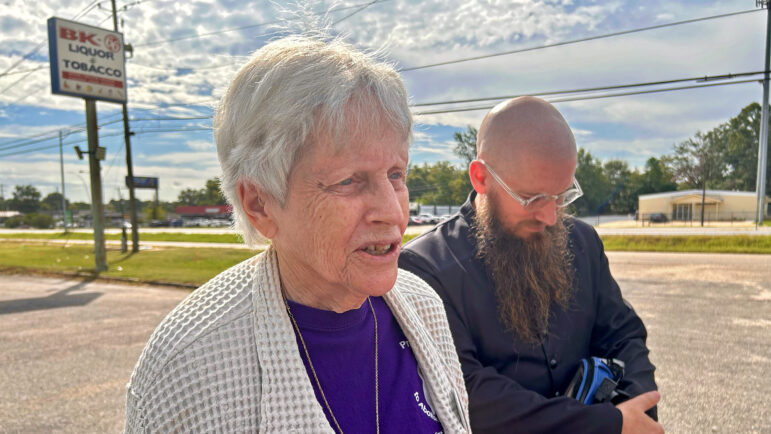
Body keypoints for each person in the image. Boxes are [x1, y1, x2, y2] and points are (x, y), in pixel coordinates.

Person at [124, 35, 470, 433]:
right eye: (348, 181)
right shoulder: (188, 367)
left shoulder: (423, 306)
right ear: (260, 204)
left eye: (396, 174)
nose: (393, 212)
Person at [399, 96, 662, 434]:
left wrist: (638, 407)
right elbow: (465, 392)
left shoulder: (581, 242)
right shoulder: (426, 268)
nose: (551, 217)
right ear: (481, 178)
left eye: (562, 196)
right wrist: (605, 424)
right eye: (533, 199)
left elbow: (622, 334)